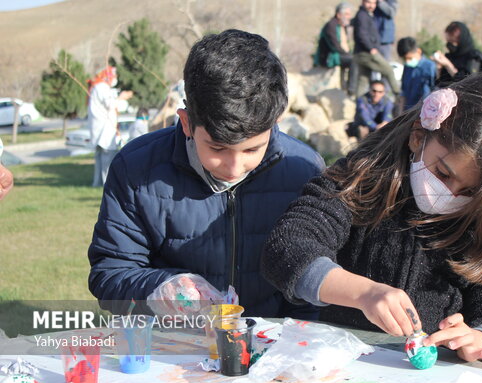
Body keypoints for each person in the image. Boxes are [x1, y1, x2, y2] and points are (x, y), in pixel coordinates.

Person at [262, 75, 482, 370]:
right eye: (443, 173)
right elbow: (288, 247)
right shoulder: (361, 179)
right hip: (347, 368)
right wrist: (364, 293)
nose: (451, 194)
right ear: (418, 136)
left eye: (470, 191)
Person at [88, 30, 325, 318]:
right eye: (218, 148)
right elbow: (110, 274)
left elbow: (315, 280)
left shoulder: (304, 169)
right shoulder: (136, 168)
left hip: (277, 345)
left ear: (275, 122)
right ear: (187, 123)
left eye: (252, 150)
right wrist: (160, 287)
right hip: (176, 343)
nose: (234, 167)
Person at [88, 66, 133, 187]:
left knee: (99, 158)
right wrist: (122, 97)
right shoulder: (102, 87)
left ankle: (97, 183)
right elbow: (110, 104)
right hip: (104, 129)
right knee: (107, 158)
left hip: (99, 128)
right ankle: (107, 184)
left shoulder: (96, 87)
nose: (115, 78)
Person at [352, 0, 400, 96]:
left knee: (363, 79)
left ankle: (359, 103)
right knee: (388, 70)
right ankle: (398, 95)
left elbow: (391, 12)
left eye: (374, 3)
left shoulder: (367, 14)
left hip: (364, 52)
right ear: (363, 2)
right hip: (367, 53)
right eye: (369, 2)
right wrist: (371, 48)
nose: (371, 5)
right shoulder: (362, 15)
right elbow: (362, 35)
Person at [315, 2, 356, 94]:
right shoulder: (331, 25)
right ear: (338, 15)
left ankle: (344, 87)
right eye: (346, 14)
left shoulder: (341, 26)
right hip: (329, 57)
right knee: (354, 60)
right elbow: (335, 46)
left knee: (353, 59)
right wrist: (348, 55)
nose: (349, 17)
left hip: (338, 54)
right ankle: (351, 89)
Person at [396, 36, 436, 112]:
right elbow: (404, 92)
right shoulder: (407, 67)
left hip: (425, 111)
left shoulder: (430, 67)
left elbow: (434, 90)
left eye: (410, 58)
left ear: (418, 51)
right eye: (405, 59)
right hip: (408, 111)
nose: (407, 61)